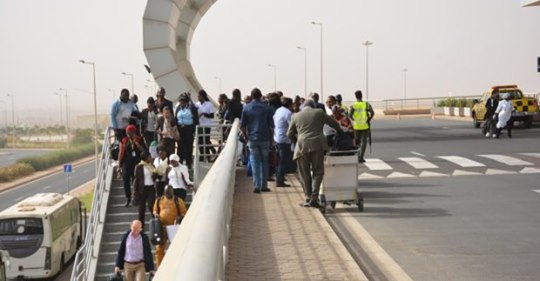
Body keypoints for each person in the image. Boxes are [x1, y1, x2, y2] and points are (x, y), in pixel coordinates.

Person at [287, 99, 341, 207]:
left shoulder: (295, 116)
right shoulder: (319, 113)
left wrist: (297, 141)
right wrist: (339, 130)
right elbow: (334, 123)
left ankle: (308, 197)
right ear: (313, 106)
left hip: (302, 147)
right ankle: (314, 197)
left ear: (303, 107)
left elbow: (289, 133)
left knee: (304, 173)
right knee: (318, 172)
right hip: (318, 146)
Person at [241, 88, 274, 193]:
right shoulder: (266, 108)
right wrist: (272, 140)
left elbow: (242, 126)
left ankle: (256, 185)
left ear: (251, 96)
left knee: (255, 162)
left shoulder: (246, 108)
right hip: (265, 138)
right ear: (260, 96)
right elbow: (271, 127)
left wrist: (246, 137)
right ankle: (264, 186)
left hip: (252, 138)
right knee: (264, 162)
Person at [153, 185, 187, 267]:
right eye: (167, 192)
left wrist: (179, 217)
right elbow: (155, 211)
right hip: (162, 227)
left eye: (170, 192)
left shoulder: (178, 200)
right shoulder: (159, 200)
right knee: (159, 248)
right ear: (164, 192)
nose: (168, 193)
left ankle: (176, 265)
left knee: (175, 247)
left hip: (173, 227)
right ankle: (160, 266)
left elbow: (184, 213)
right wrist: (156, 215)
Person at [119, 125, 147, 207]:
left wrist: (137, 143)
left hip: (136, 163)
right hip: (126, 163)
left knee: (135, 181)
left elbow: (144, 150)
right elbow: (121, 153)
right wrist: (119, 165)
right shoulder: (124, 140)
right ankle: (128, 197)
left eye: (130, 133)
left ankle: (136, 197)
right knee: (125, 179)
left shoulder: (139, 139)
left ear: (133, 132)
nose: (128, 134)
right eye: (127, 133)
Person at [132, 151, 157, 229]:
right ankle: (141, 226)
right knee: (141, 208)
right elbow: (136, 180)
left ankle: (155, 224)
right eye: (149, 157)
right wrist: (135, 192)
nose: (151, 158)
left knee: (151, 206)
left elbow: (156, 176)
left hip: (151, 188)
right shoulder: (139, 167)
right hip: (142, 189)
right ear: (145, 158)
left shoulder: (152, 166)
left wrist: (155, 174)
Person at [349, 90, 374, 163]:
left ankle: (357, 156)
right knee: (364, 142)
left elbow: (350, 115)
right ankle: (361, 157)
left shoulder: (353, 105)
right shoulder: (366, 104)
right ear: (361, 95)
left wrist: (354, 120)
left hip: (356, 126)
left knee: (357, 142)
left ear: (355, 96)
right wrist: (368, 120)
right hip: (364, 126)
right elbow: (372, 113)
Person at [273, 97, 293, 187]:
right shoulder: (288, 113)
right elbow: (292, 126)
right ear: (290, 105)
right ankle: (280, 180)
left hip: (277, 137)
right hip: (284, 139)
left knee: (278, 160)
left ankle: (279, 177)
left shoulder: (278, 110)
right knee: (283, 161)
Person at [175, 93, 199, 168]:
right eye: (181, 101)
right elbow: (176, 119)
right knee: (180, 147)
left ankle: (189, 163)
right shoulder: (178, 108)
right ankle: (180, 162)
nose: (182, 103)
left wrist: (194, 130)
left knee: (189, 147)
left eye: (184, 101)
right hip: (180, 131)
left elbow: (196, 120)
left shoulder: (192, 108)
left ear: (187, 101)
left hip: (189, 131)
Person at [196, 90, 217, 161]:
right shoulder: (197, 104)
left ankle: (210, 154)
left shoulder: (209, 104)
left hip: (207, 125)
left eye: (199, 96)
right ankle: (202, 156)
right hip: (200, 126)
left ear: (203, 96)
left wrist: (203, 113)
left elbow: (212, 115)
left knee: (206, 141)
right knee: (200, 142)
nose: (198, 97)